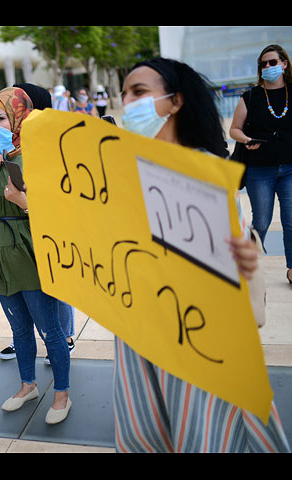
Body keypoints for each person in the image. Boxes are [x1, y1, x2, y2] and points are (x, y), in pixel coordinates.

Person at [114, 57, 290, 452]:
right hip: (138, 329)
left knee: (203, 429)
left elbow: (229, 251)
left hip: (197, 332)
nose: (128, 102)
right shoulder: (122, 171)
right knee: (146, 426)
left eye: (139, 92)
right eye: (125, 94)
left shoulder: (205, 170)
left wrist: (242, 259)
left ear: (175, 102)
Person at [0, 86, 72, 425]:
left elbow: (59, 210)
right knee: (18, 329)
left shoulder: (37, 155)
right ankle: (27, 386)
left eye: (1, 118)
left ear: (19, 118)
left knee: (49, 329)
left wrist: (24, 202)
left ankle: (62, 393)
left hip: (29, 252)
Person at [0, 83, 77, 363]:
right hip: (18, 231)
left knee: (56, 281)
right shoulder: (6, 145)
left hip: (48, 226)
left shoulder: (50, 143)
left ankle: (64, 335)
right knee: (27, 288)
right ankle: (23, 337)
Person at [230, 44, 292, 286]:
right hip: (259, 170)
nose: (267, 67)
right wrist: (246, 140)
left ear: (284, 64)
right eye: (263, 64)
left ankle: (291, 270)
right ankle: (246, 269)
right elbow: (234, 129)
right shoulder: (251, 96)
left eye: (272, 63)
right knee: (262, 222)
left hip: (289, 168)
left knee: (290, 221)